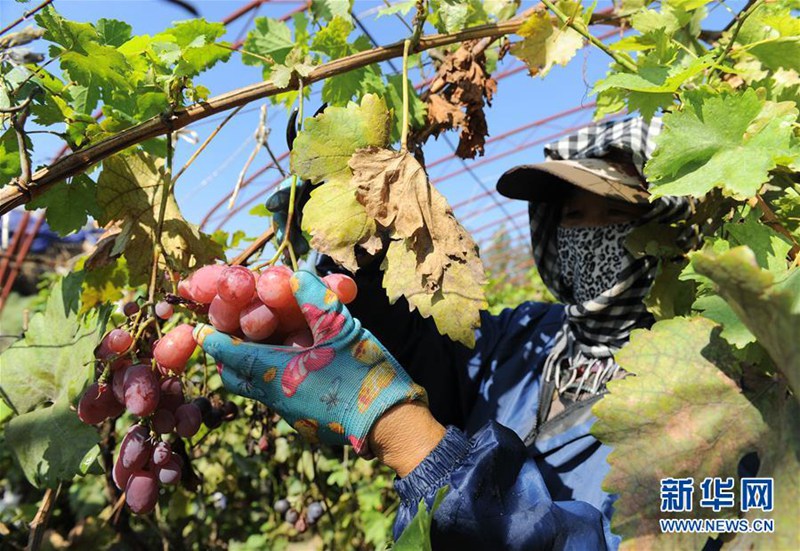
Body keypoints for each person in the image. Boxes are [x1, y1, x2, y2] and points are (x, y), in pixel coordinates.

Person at [193, 117, 692, 549]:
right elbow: (435, 358)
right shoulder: (533, 334)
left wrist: (407, 437)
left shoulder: (715, 394)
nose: (588, 234)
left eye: (615, 213)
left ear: (669, 226)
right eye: (574, 216)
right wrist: (360, 247)